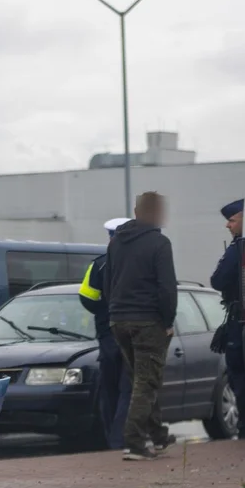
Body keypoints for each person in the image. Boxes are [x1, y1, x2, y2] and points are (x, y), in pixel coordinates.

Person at [103, 192, 178, 461]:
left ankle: (158, 437)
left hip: (118, 320)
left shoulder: (116, 243)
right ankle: (134, 443)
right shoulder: (160, 243)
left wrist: (115, 312)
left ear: (136, 211)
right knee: (146, 382)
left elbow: (108, 282)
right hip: (148, 321)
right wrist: (168, 322)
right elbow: (167, 287)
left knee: (142, 379)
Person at [79, 217, 132, 450]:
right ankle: (124, 436)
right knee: (129, 387)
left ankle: (114, 438)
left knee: (109, 388)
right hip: (134, 332)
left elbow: (87, 298)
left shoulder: (98, 265)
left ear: (110, 238)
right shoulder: (139, 263)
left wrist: (104, 311)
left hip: (108, 333)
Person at [209, 198, 245, 440]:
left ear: (244, 218)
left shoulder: (239, 248)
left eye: (231, 220)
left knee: (239, 373)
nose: (227, 226)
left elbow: (218, 280)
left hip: (241, 320)